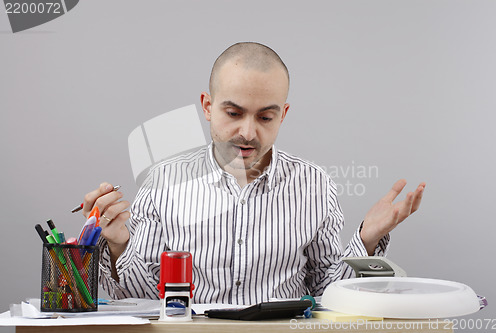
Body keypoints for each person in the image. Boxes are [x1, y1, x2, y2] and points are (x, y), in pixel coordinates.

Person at [82, 42, 425, 304]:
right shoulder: (163, 183)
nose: (247, 132)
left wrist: (366, 238)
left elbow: (327, 293)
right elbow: (140, 299)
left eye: (265, 117)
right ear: (207, 106)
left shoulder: (315, 184)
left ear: (283, 114)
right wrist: (118, 245)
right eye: (233, 112)